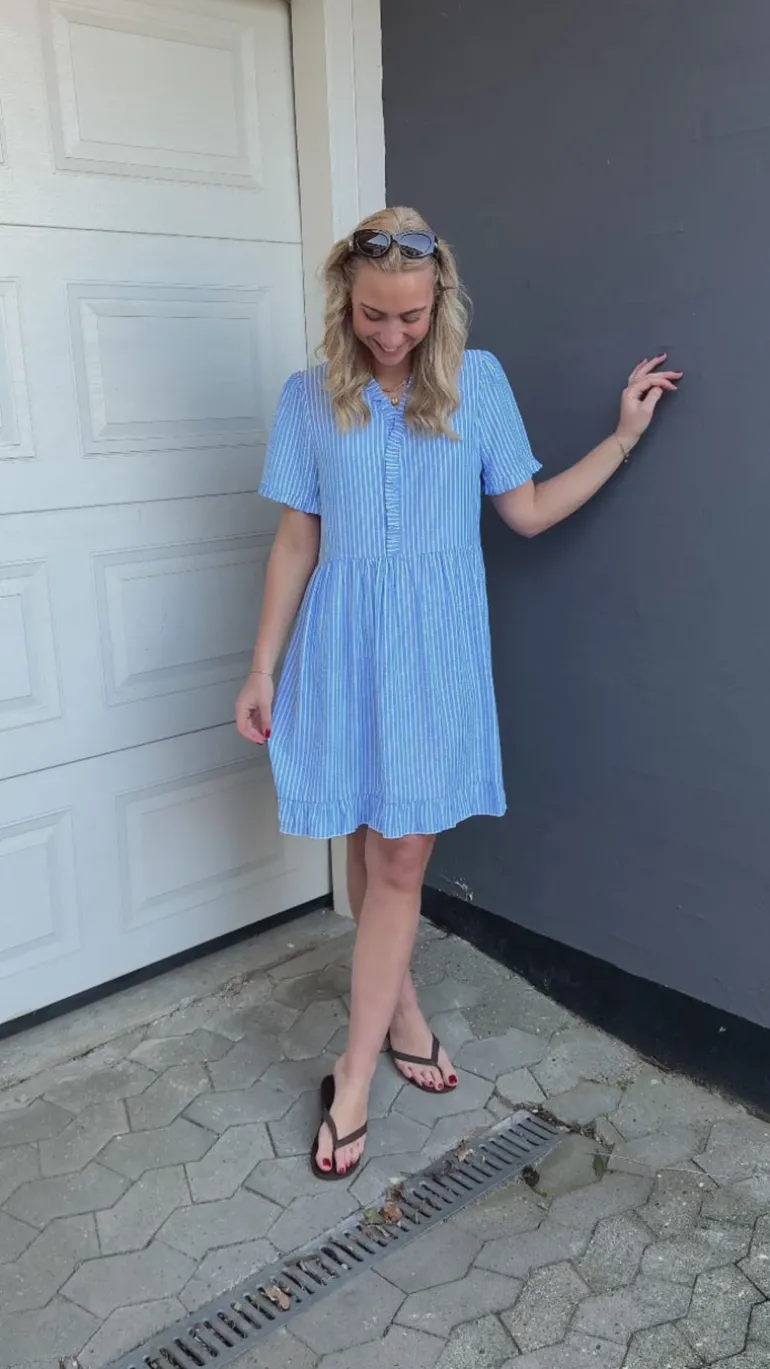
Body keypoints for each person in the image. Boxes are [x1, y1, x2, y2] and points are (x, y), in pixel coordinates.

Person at [235, 206, 681, 1179]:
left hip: (434, 650)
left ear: (439, 301)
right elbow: (298, 539)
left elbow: (526, 512)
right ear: (343, 301)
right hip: (343, 644)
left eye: (410, 315)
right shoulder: (308, 397)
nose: (392, 334)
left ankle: (351, 1075)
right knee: (369, 834)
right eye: (372, 315)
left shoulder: (477, 383)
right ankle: (398, 1016)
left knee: (400, 852)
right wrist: (263, 663)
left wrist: (621, 438)